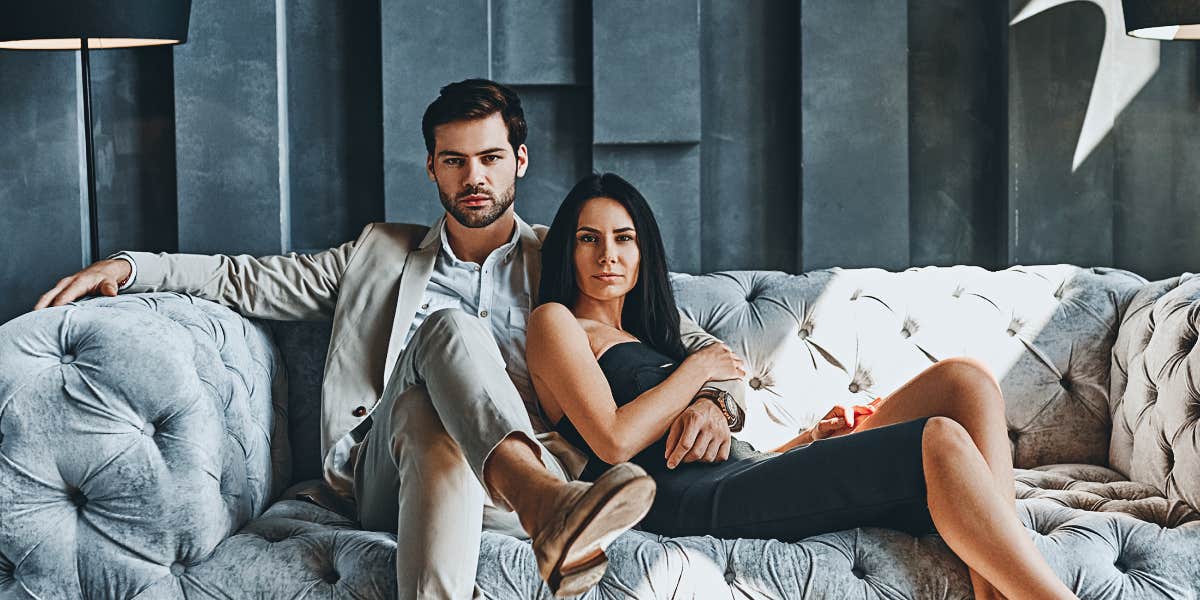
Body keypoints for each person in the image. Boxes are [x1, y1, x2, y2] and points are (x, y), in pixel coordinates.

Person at [31, 80, 745, 599]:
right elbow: (243, 277)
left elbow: (674, 337)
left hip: (515, 476)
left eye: (491, 158)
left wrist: (714, 402)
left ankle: (538, 501)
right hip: (379, 478)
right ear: (431, 167)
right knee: (447, 333)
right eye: (455, 160)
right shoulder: (376, 255)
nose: (475, 176)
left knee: (432, 420)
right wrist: (131, 264)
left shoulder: (565, 254)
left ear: (519, 162)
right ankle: (545, 508)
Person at [526, 172, 1080, 600]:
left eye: (624, 238)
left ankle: (996, 593)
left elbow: (732, 436)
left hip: (745, 473)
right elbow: (614, 442)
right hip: (688, 503)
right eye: (588, 239)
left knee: (967, 382)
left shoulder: (655, 331)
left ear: (644, 250)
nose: (608, 255)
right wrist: (698, 373)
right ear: (567, 251)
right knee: (936, 439)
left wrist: (805, 440)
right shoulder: (557, 323)